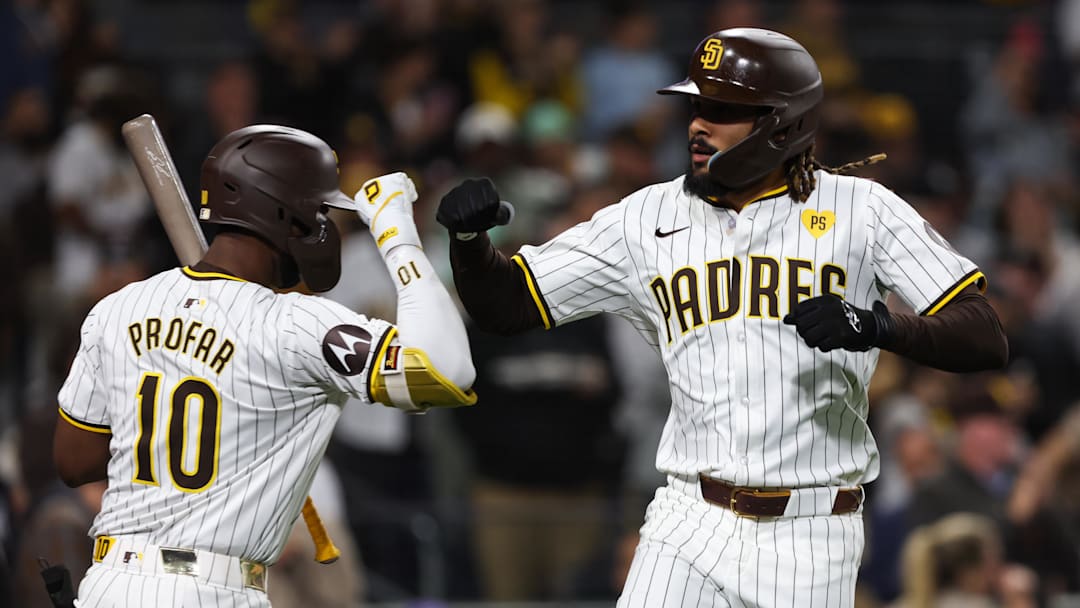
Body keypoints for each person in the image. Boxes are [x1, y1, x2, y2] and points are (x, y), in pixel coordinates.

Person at [435, 28, 1008, 607]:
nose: (698, 124)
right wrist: (469, 243)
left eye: (724, 109)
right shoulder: (644, 218)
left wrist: (878, 326)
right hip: (687, 516)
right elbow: (505, 305)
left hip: (808, 531)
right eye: (697, 105)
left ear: (783, 124)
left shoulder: (860, 209)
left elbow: (985, 334)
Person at [52, 124, 476, 607]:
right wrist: (400, 238)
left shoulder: (118, 308)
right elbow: (446, 371)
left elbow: (74, 460)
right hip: (214, 589)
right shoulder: (298, 326)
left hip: (111, 584)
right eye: (320, 211)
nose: (325, 226)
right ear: (285, 214)